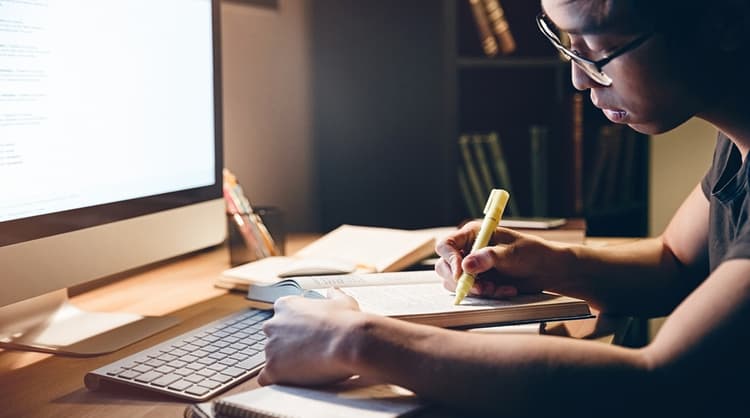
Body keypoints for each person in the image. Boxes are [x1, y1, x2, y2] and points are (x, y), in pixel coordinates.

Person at [259, 0, 750, 416]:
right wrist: (547, 261)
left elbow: (663, 383)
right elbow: (677, 262)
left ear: (722, 20)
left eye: (598, 49)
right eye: (565, 43)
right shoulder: (737, 140)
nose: (579, 79)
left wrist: (353, 342)